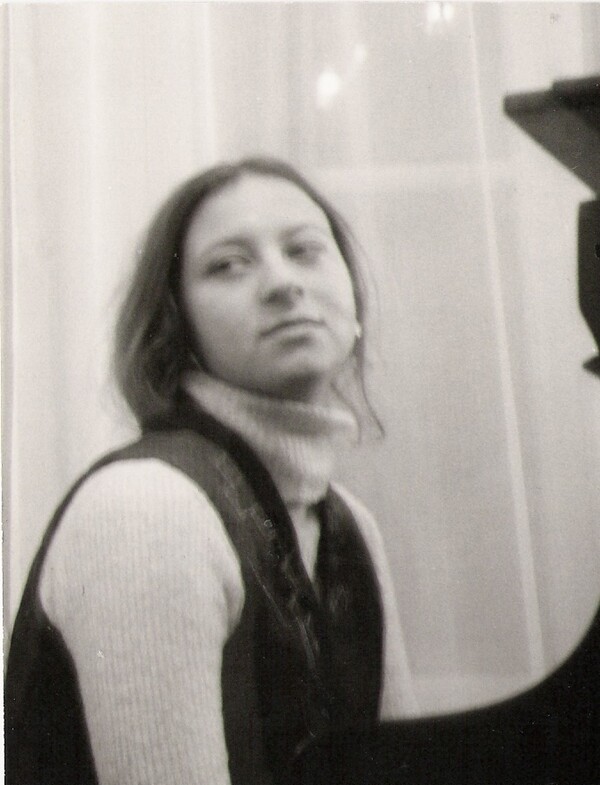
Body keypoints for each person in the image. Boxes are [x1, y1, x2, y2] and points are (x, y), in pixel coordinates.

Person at [5, 157, 419, 785]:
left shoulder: (349, 523)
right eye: (228, 265)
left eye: (305, 250)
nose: (283, 284)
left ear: (354, 300)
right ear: (179, 327)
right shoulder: (146, 510)